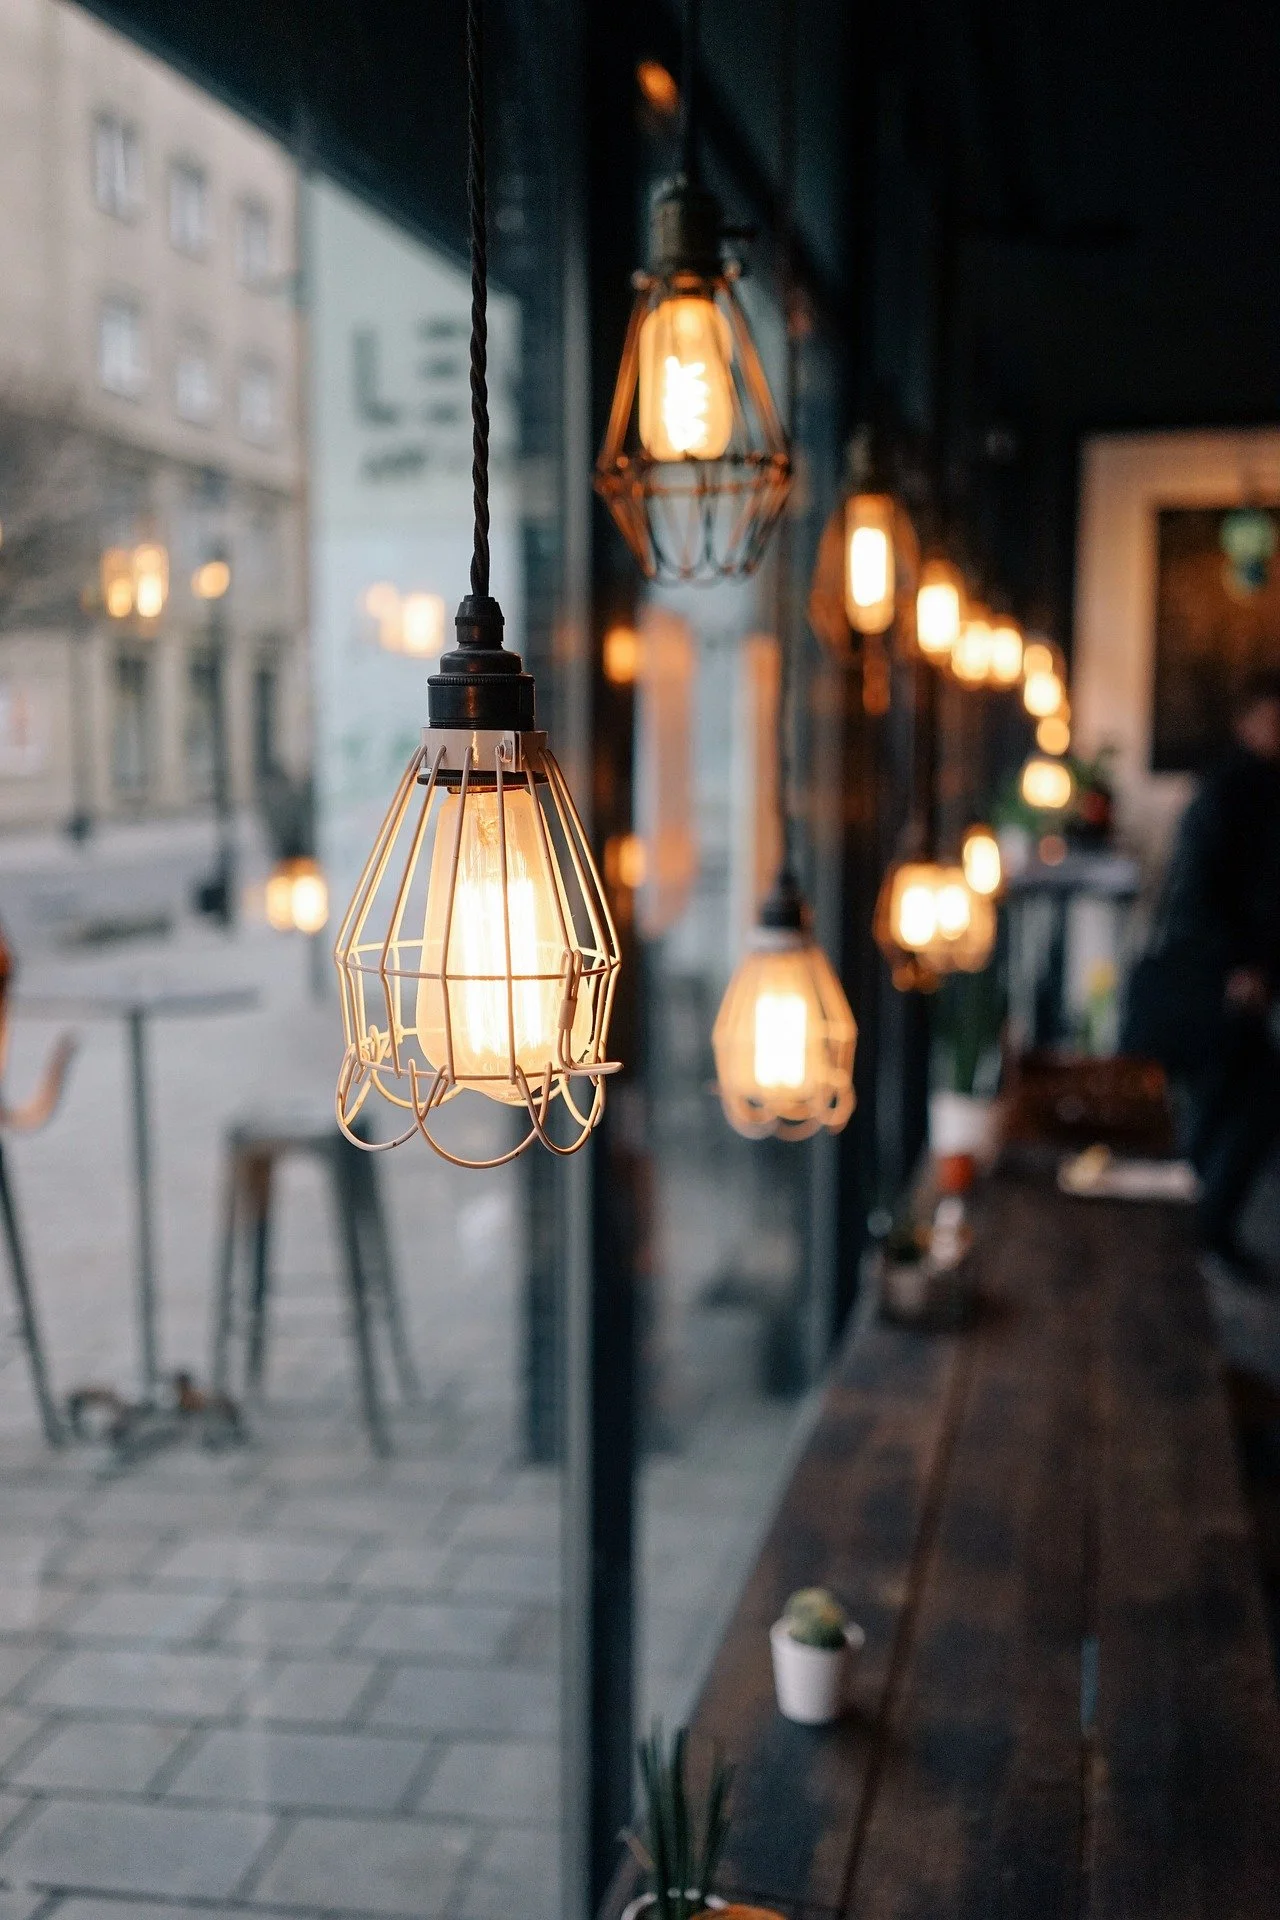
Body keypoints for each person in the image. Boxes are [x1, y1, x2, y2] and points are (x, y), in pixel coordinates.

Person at [1122, 669, 1280, 1281]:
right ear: (1247, 721)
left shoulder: (1259, 788)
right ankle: (1194, 1229)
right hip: (1208, 982)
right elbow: (1200, 897)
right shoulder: (1227, 794)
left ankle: (1198, 1226)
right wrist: (1238, 967)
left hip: (1236, 978)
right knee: (1232, 1098)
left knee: (1243, 1098)